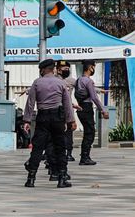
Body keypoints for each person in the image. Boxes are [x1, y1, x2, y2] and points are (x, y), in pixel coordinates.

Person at [23, 59, 76, 188]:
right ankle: (62, 178)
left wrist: (27, 120)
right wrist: (71, 121)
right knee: (60, 148)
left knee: (37, 148)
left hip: (42, 117)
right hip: (57, 118)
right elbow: (67, 104)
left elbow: (30, 103)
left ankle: (31, 179)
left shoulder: (37, 83)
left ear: (42, 70)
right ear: (53, 69)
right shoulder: (61, 83)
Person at [75, 60, 109, 165]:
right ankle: (85, 157)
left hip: (80, 108)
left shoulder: (79, 80)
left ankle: (84, 156)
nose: (93, 69)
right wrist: (103, 110)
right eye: (94, 67)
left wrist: (99, 90)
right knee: (90, 133)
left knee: (87, 132)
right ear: (90, 67)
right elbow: (94, 97)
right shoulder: (88, 81)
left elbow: (90, 91)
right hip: (87, 108)